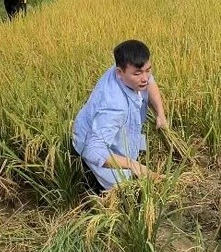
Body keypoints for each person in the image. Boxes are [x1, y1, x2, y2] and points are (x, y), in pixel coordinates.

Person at [72, 40, 169, 192]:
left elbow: (150, 82)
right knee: (122, 185)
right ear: (119, 72)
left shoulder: (134, 68)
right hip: (91, 139)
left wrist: (161, 114)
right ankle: (95, 190)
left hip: (114, 126)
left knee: (131, 147)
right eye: (138, 74)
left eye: (148, 70)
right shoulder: (114, 106)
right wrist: (132, 164)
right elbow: (94, 150)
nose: (145, 77)